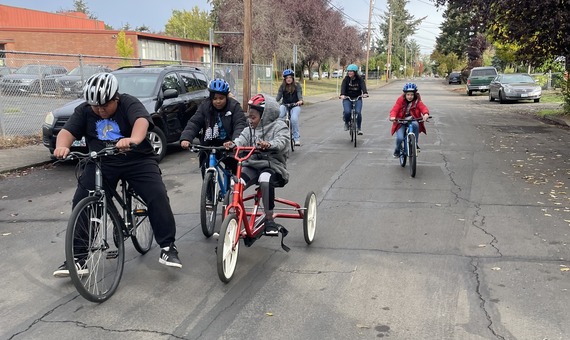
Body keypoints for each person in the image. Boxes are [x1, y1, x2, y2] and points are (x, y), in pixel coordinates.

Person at [53, 72, 181, 277]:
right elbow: (67, 132)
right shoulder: (85, 110)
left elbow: (141, 121)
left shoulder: (129, 103)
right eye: (96, 106)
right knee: (83, 200)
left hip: (137, 160)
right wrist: (61, 147)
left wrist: (133, 139)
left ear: (116, 98)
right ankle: (78, 259)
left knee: (157, 194)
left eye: (105, 105)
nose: (100, 110)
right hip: (102, 161)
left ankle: (167, 247)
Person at [223, 94, 289, 235]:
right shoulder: (249, 129)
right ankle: (232, 218)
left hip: (272, 166)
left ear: (265, 116)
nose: (250, 121)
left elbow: (282, 142)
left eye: (253, 117)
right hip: (252, 165)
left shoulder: (279, 126)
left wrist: (270, 144)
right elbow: (241, 139)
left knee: (264, 179)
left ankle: (269, 219)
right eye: (249, 117)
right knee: (236, 183)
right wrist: (233, 144)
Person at [179, 78, 247, 176]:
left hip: (229, 145)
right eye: (214, 99)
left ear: (226, 97)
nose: (218, 101)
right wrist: (186, 138)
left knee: (235, 168)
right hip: (210, 144)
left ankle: (234, 187)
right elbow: (194, 123)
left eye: (221, 98)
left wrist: (235, 142)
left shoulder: (234, 107)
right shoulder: (205, 106)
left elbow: (240, 125)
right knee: (205, 165)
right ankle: (208, 187)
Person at [389, 82, 430, 157]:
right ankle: (397, 150)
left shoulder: (417, 101)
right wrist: (393, 116)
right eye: (408, 94)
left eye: (412, 94)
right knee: (400, 138)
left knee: (416, 125)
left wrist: (426, 114)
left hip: (412, 120)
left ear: (414, 95)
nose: (410, 96)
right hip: (400, 121)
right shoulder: (400, 100)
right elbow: (395, 109)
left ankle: (415, 144)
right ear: (405, 94)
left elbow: (423, 107)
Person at [275, 69, 303, 146]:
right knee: (279, 116)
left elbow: (299, 94)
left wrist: (300, 101)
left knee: (294, 119)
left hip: (295, 105)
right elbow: (278, 97)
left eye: (290, 77)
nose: (289, 79)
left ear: (293, 78)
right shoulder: (282, 86)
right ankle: (280, 135)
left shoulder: (297, 86)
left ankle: (296, 138)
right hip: (285, 105)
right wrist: (273, 102)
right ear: (284, 79)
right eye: (287, 78)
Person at [340, 64, 369, 135]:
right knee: (347, 112)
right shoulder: (346, 79)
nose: (349, 73)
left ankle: (359, 128)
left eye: (351, 71)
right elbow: (343, 87)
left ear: (355, 72)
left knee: (358, 112)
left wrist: (365, 93)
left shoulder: (360, 79)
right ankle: (346, 123)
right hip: (347, 98)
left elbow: (363, 86)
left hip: (357, 98)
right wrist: (342, 95)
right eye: (348, 71)